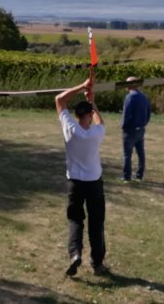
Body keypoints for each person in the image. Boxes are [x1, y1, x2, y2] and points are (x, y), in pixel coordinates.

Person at [55, 77, 109, 276]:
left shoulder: (70, 128)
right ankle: (97, 263)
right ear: (89, 115)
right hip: (94, 183)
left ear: (77, 115)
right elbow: (100, 122)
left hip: (75, 183)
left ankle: (75, 254)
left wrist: (81, 87)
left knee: (75, 220)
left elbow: (59, 100)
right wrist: (92, 100)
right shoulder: (96, 133)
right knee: (96, 223)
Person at [120, 77, 151, 181]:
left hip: (130, 130)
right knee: (141, 153)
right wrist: (143, 124)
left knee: (127, 155)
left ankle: (126, 176)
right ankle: (139, 175)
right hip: (140, 129)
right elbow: (148, 114)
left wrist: (123, 126)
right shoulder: (144, 97)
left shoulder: (130, 97)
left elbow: (126, 114)